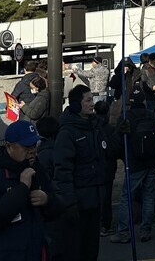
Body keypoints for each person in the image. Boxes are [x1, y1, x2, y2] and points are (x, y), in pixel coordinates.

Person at [0, 120, 61, 261]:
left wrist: (47, 199)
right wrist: (22, 189)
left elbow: (59, 206)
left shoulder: (38, 170)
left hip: (35, 250)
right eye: (26, 146)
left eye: (34, 145)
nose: (32, 150)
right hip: (4, 254)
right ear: (9, 147)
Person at [53, 85, 105, 261]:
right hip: (78, 202)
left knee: (92, 249)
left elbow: (107, 152)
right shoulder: (67, 132)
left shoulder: (96, 126)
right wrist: (69, 201)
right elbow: (62, 169)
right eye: (88, 100)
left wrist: (118, 134)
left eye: (92, 99)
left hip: (96, 198)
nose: (92, 104)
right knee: (76, 250)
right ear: (76, 105)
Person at [110, 88, 155, 243]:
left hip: (133, 163)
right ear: (144, 101)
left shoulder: (125, 118)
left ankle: (123, 231)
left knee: (127, 197)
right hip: (152, 162)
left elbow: (119, 141)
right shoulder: (152, 116)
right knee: (149, 196)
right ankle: (145, 230)